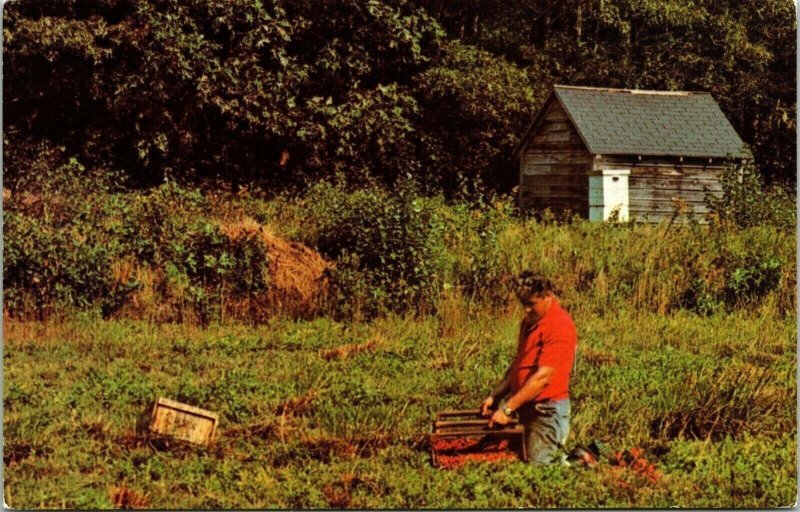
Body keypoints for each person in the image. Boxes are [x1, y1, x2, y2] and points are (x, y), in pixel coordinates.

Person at [480, 271, 578, 465]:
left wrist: (507, 410)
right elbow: (519, 364)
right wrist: (496, 395)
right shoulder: (529, 323)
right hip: (526, 407)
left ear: (548, 296)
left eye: (531, 304)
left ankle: (579, 461)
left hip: (547, 411)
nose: (526, 310)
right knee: (508, 459)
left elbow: (543, 378)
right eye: (523, 304)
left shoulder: (559, 325)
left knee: (538, 466)